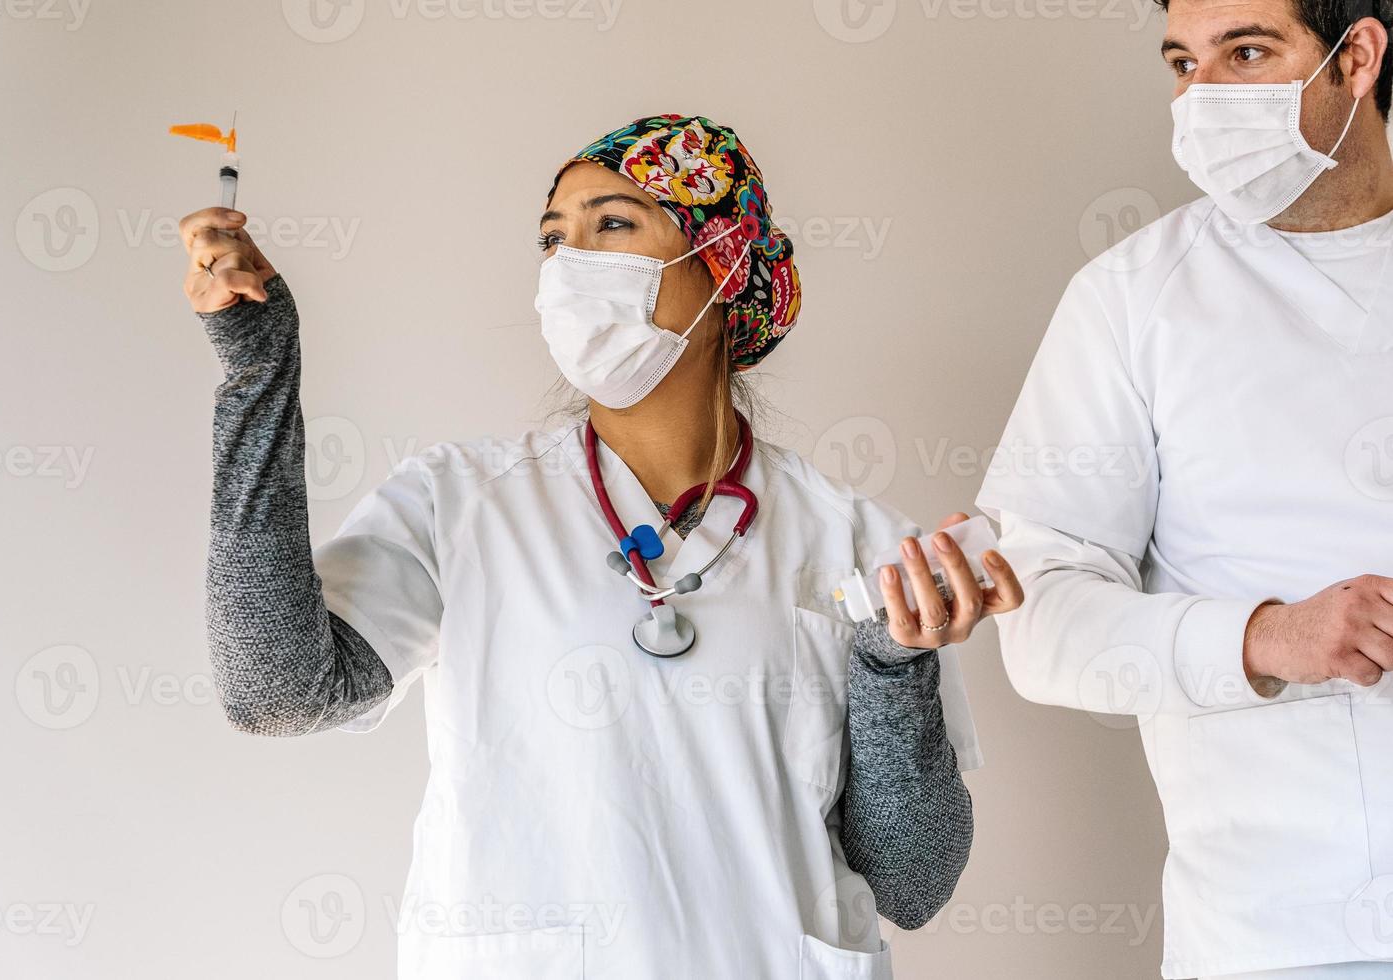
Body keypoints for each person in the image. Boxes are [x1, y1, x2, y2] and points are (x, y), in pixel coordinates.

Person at [179, 114, 1023, 979]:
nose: (568, 264)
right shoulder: (461, 503)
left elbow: (912, 883)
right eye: (553, 238)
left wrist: (891, 666)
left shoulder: (858, 540)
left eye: (612, 224)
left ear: (726, 259)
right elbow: (273, 692)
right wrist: (257, 377)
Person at [976, 4, 1393, 977]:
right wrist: (1264, 636)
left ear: (1358, 57)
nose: (1202, 96)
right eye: (1182, 61)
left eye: (1245, 52)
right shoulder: (1133, 300)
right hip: (1286, 932)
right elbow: (1042, 621)